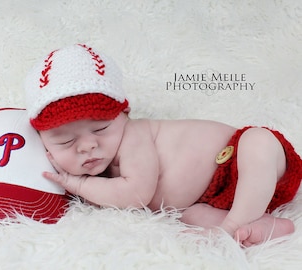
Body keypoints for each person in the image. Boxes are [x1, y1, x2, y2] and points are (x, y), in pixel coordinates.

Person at [25, 43, 302, 247]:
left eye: (101, 128)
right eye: (66, 140)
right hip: (214, 197)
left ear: (124, 115)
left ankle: (231, 226)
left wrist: (79, 185)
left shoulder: (133, 136)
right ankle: (258, 227)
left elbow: (137, 193)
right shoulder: (101, 170)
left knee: (258, 141)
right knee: (191, 217)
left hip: (243, 158)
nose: (87, 146)